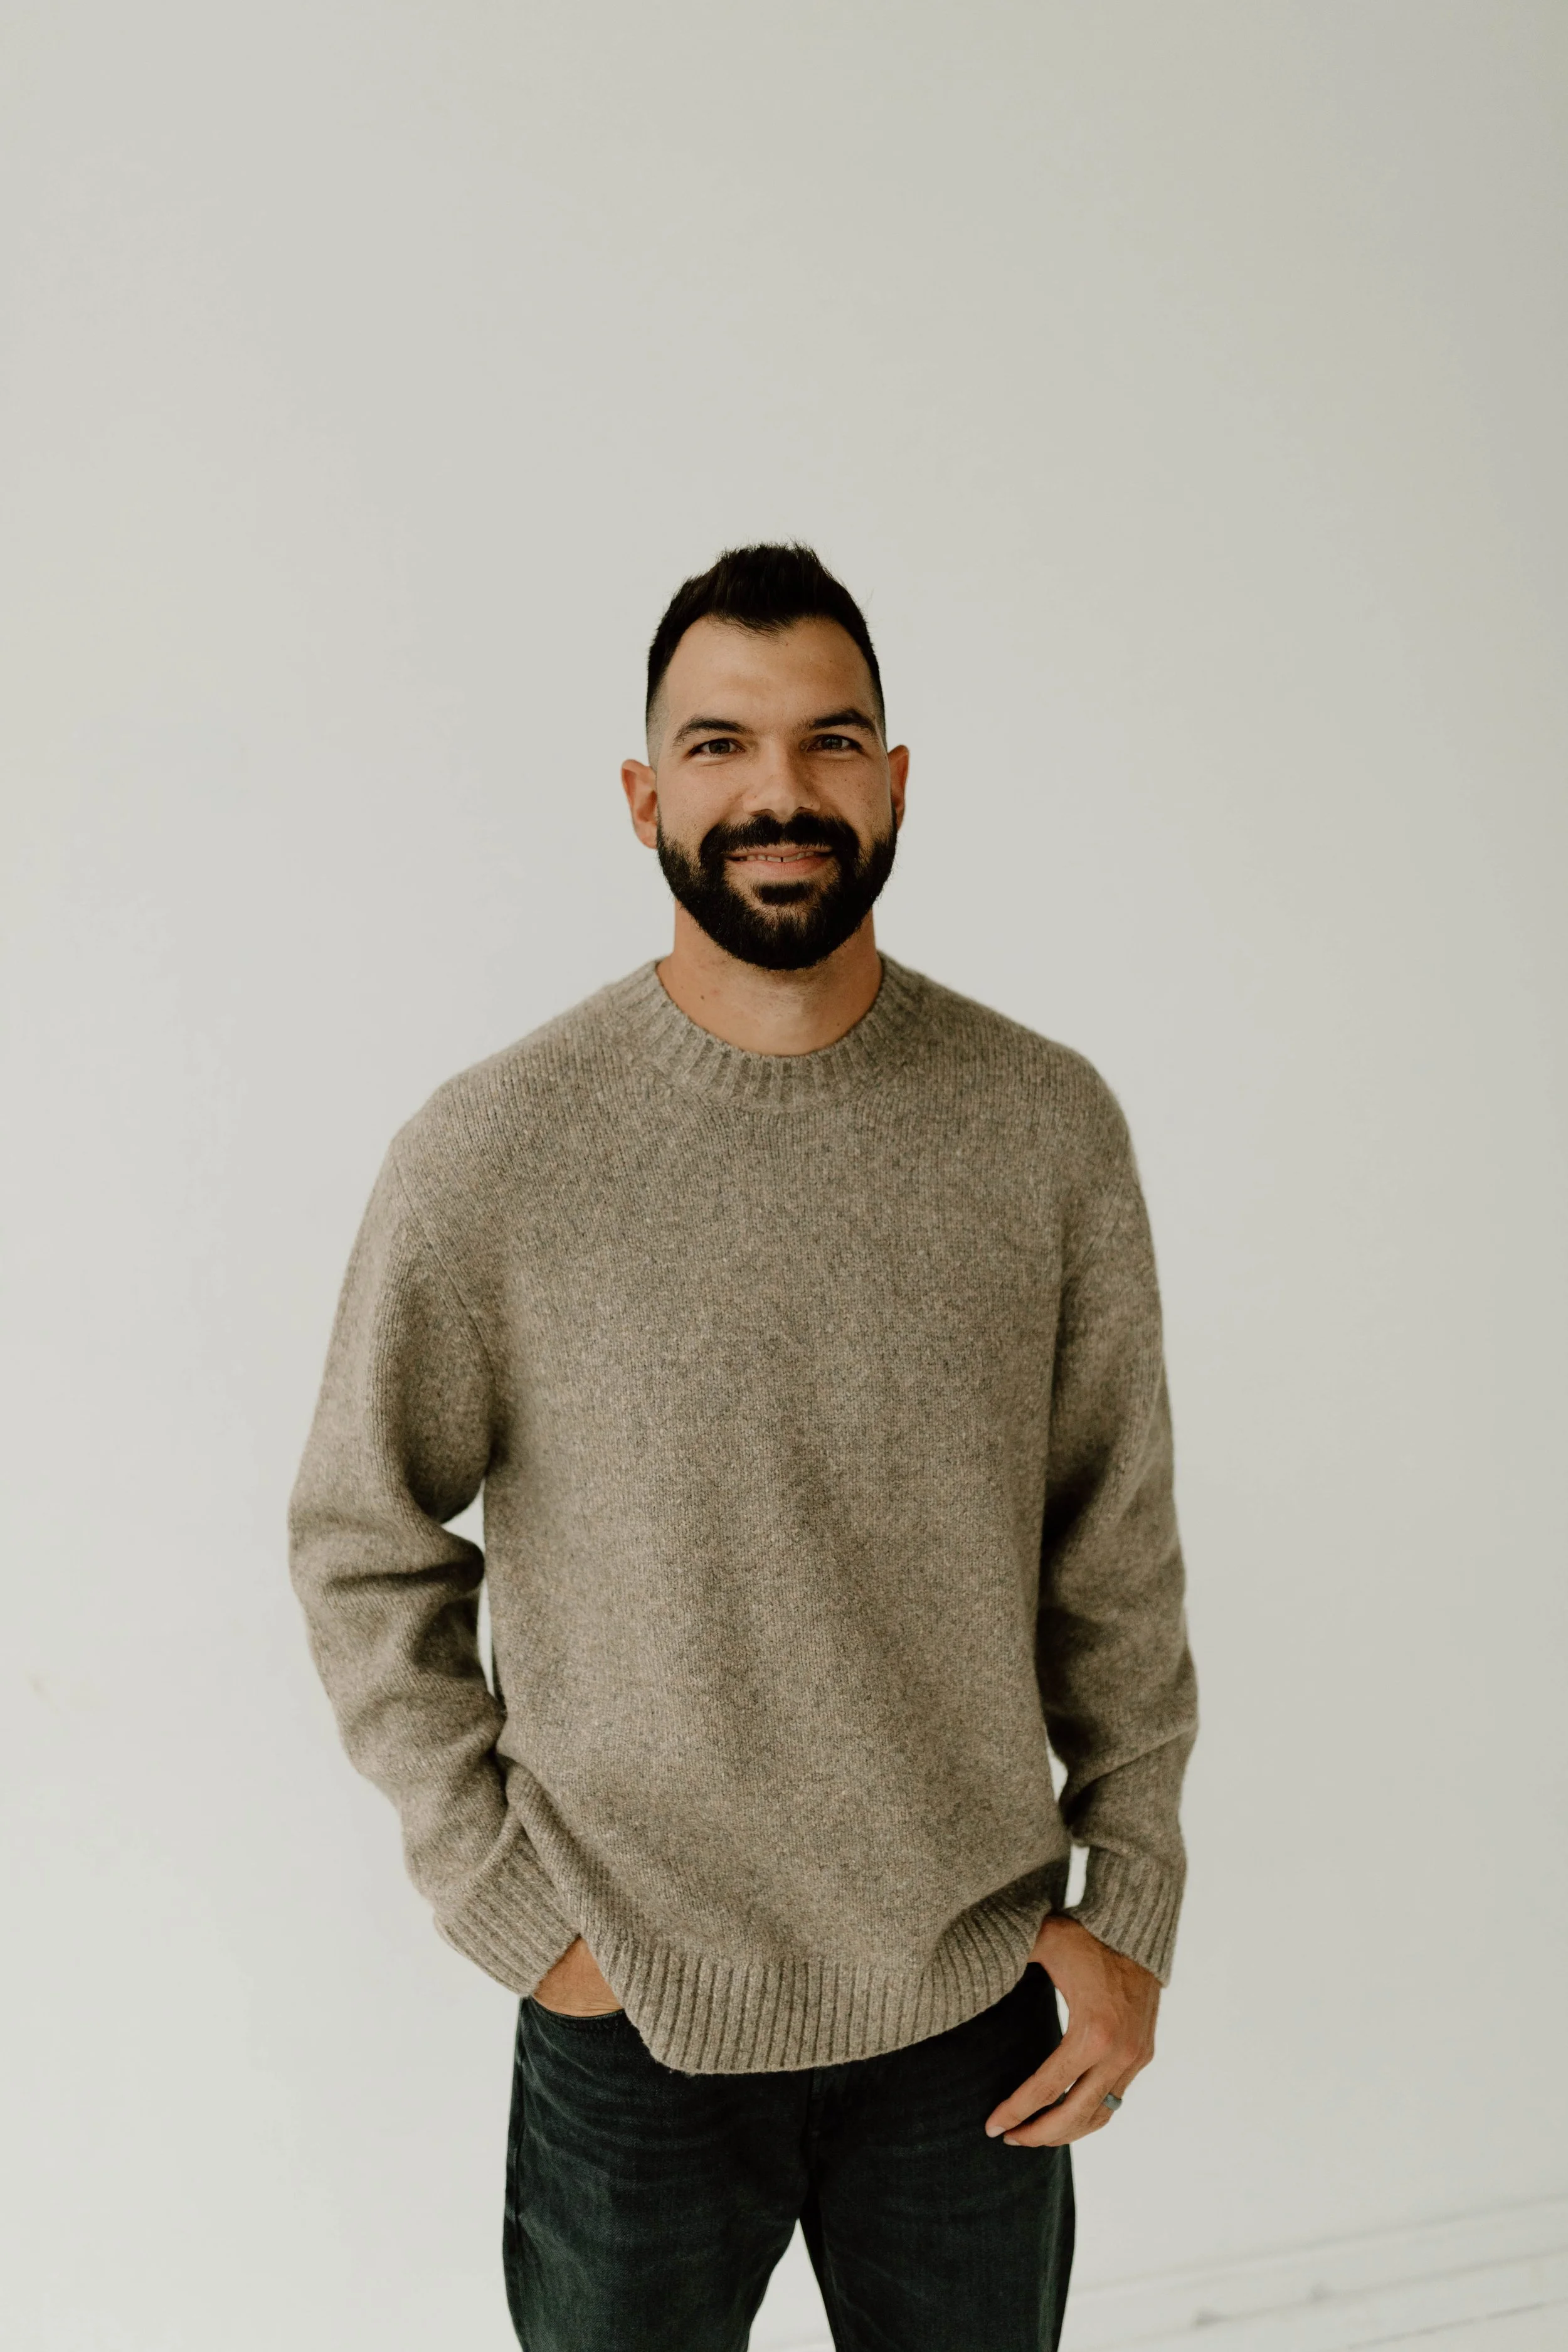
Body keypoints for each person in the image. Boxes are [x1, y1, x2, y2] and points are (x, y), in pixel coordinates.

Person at [288, 543, 1199, 2352]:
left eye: (828, 741)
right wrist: (515, 1908)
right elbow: (359, 1538)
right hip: (633, 2020)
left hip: (969, 2013)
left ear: (895, 783)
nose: (779, 791)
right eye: (718, 745)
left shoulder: (1042, 1126)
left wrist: (1136, 1905)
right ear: (646, 797)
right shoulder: (495, 1150)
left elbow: (1114, 1551)